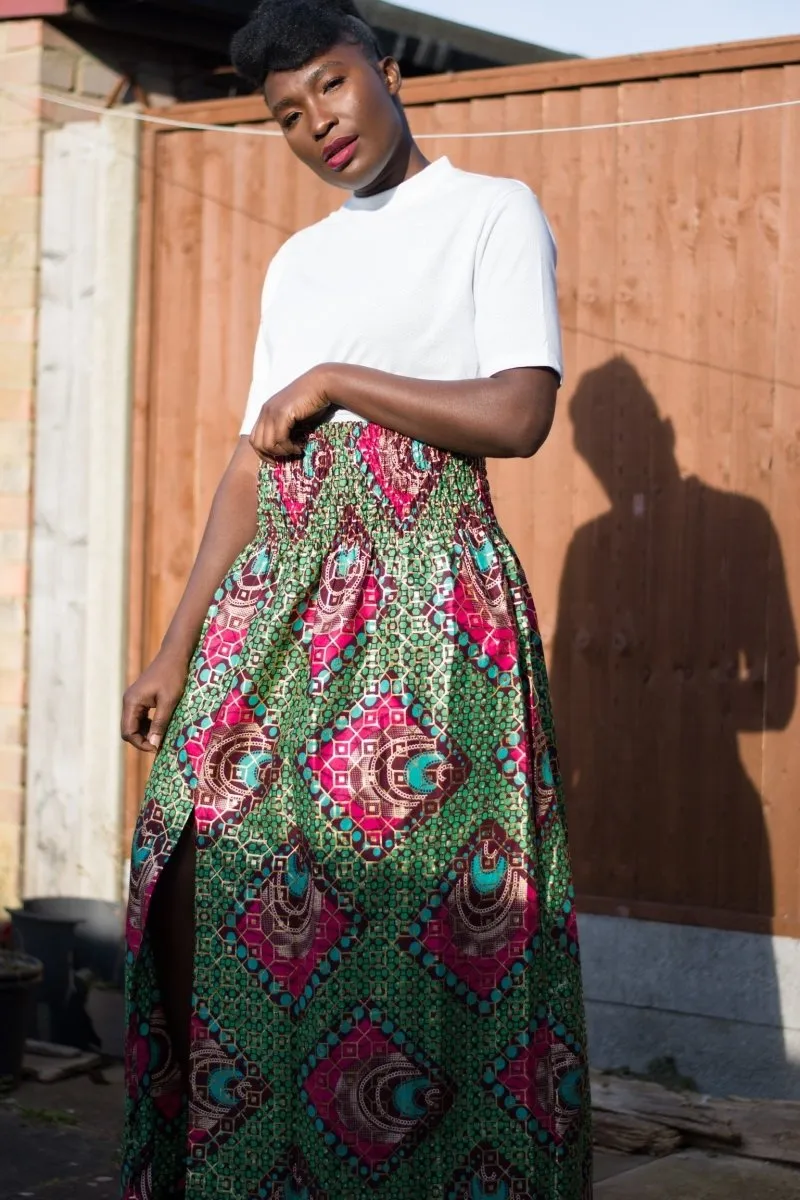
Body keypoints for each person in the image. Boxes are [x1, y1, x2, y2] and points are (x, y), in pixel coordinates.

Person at [120, 2, 592, 1196]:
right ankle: (241, 1162)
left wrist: (336, 379)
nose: (315, 123)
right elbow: (250, 459)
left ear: (382, 70)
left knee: (417, 925)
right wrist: (175, 645)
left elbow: (518, 415)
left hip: (433, 598)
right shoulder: (300, 260)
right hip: (282, 590)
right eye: (286, 114)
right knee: (192, 849)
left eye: (329, 87)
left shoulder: (489, 211)